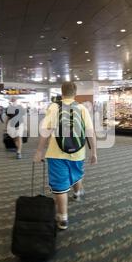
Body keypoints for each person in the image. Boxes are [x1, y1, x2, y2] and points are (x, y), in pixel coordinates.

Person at [34, 82, 97, 230]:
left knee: (60, 185)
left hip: (56, 153)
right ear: (75, 93)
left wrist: (39, 151)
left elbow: (46, 131)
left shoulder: (54, 107)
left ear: (62, 92)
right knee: (76, 174)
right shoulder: (82, 108)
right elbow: (90, 133)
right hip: (78, 152)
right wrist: (94, 152)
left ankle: (63, 218)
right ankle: (77, 193)